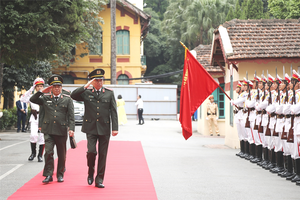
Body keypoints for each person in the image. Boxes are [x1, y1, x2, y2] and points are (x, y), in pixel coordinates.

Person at [71, 68, 118, 188]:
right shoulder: (87, 92)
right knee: (91, 152)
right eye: (97, 80)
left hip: (105, 127)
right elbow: (73, 95)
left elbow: (113, 111)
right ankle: (90, 172)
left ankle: (99, 179)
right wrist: (86, 86)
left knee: (103, 154)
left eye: (101, 80)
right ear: (92, 81)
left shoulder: (109, 93)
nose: (99, 82)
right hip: (91, 127)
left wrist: (115, 127)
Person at [30, 75, 75, 184]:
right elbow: (33, 99)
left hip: (61, 130)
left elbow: (71, 115)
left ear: (61, 87)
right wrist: (42, 91)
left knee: (61, 154)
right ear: (51, 88)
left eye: (58, 86)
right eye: (54, 86)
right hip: (49, 130)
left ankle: (60, 174)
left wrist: (71, 129)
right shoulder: (45, 98)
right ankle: (49, 174)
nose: (56, 88)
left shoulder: (67, 99)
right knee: (48, 152)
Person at [20, 78, 45, 162]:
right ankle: (33, 153)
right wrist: (31, 89)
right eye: (38, 86)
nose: (40, 88)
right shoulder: (31, 96)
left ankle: (40, 155)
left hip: (43, 117)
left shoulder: (45, 96)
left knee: (42, 137)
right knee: (33, 135)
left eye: (41, 86)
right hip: (34, 117)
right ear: (35, 87)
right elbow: (22, 99)